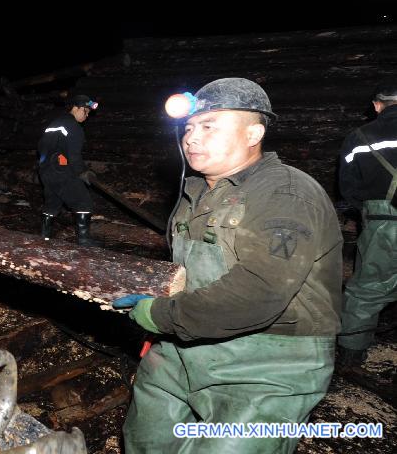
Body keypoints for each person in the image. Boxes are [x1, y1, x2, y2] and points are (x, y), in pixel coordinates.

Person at [116, 78, 342, 453]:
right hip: (186, 346)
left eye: (209, 126)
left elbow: (258, 293)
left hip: (272, 362)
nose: (191, 138)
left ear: (254, 132)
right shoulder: (198, 192)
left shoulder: (286, 194)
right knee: (146, 438)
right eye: (188, 128)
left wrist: (161, 315)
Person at [337, 87, 397, 368]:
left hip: (382, 224)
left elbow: (347, 188)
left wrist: (369, 210)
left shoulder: (358, 138)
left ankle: (352, 352)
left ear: (377, 106)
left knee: (367, 291)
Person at [37, 94, 100, 246]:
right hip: (62, 171)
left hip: (45, 171)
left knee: (53, 203)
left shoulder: (55, 123)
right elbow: (73, 155)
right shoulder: (74, 127)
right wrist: (82, 172)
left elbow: (41, 147)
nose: (86, 115)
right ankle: (84, 241)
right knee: (83, 202)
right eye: (85, 111)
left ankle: (44, 239)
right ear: (76, 108)